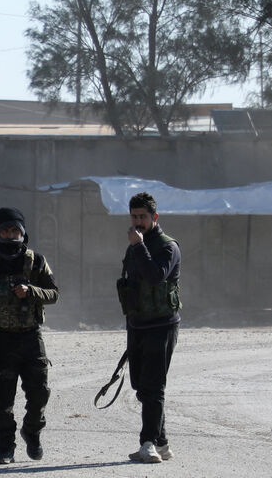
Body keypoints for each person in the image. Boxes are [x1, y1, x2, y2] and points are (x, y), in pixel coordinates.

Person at [0, 207, 58, 464]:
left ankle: (32, 432)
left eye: (15, 231)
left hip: (31, 339)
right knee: (2, 399)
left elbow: (54, 293)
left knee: (39, 392)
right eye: (5, 231)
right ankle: (5, 447)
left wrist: (31, 290)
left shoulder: (37, 262)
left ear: (23, 234)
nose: (10, 236)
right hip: (0, 341)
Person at [118, 191, 181, 464]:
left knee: (154, 387)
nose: (138, 221)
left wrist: (140, 246)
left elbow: (156, 277)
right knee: (142, 388)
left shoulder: (168, 247)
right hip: (138, 325)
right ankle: (162, 442)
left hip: (162, 325)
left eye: (143, 216)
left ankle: (148, 444)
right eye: (134, 216)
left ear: (154, 217)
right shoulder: (134, 247)